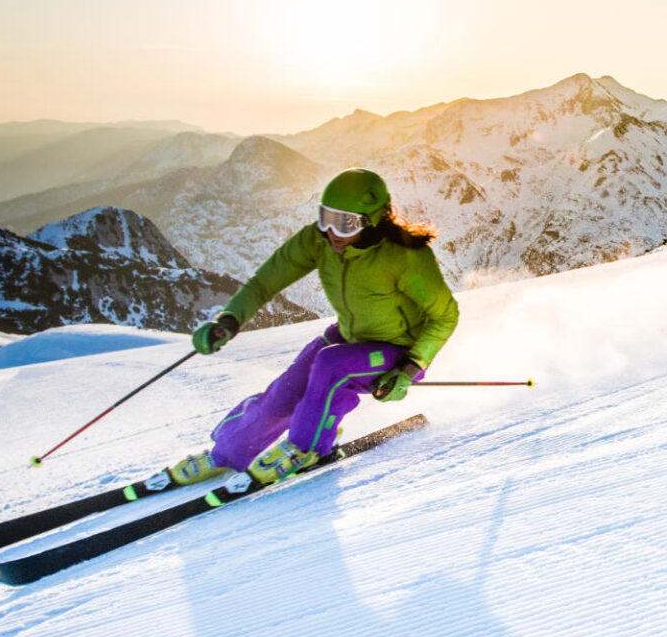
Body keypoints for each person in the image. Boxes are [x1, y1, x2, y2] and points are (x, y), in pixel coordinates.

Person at [155, 168, 459, 490]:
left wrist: (410, 368)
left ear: (373, 221)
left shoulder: (406, 258)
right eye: (325, 217)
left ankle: (307, 447)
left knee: (331, 365)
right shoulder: (317, 241)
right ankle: (227, 453)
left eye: (345, 223)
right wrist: (229, 319)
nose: (331, 232)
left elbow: (445, 316)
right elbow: (264, 282)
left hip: (398, 351)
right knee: (284, 394)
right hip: (350, 337)